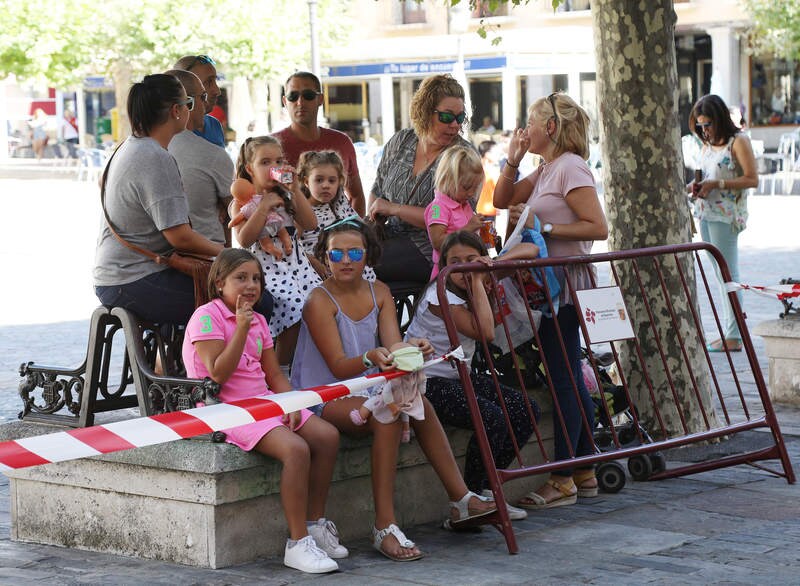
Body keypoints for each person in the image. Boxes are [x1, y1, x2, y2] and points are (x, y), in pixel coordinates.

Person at [291, 218, 496, 562]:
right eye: (336, 253)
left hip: (364, 387)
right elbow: (340, 367)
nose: (345, 259)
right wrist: (373, 357)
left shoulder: (380, 291)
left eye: (354, 252)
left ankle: (460, 499)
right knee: (388, 412)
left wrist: (412, 347)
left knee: (418, 404)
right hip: (321, 394)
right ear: (324, 258)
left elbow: (393, 345)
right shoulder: (318, 300)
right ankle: (384, 526)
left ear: (368, 256)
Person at [182, 249, 344, 574]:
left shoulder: (258, 319)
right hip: (225, 409)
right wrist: (240, 329)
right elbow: (216, 375)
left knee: (326, 436)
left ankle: (313, 524)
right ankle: (297, 544)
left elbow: (274, 375)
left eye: (256, 278)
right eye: (241, 278)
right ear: (219, 283)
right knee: (296, 450)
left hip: (264, 402)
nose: (251, 285)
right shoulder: (207, 316)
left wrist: (291, 403)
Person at [493, 92, 608, 509]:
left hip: (563, 287)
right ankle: (583, 469)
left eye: (532, 121)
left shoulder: (571, 167)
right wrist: (513, 158)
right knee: (566, 372)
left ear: (552, 128)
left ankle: (563, 478)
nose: (526, 127)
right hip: (547, 286)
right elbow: (501, 200)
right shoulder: (547, 168)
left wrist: (545, 228)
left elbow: (598, 226)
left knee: (564, 376)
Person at [405, 230, 540, 521]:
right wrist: (478, 279)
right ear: (444, 266)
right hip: (427, 380)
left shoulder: (475, 276)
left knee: (527, 409)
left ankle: (486, 490)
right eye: (455, 262)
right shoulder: (438, 295)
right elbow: (485, 333)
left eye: (470, 260)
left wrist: (491, 263)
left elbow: (531, 249)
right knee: (490, 417)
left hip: (457, 374)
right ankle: (469, 497)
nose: (463, 268)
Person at [93, 74, 225, 325]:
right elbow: (179, 237)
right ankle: (214, 364)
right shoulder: (155, 157)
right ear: (177, 110)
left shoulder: (129, 146)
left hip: (119, 276)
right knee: (249, 297)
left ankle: (171, 362)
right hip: (134, 279)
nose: (191, 108)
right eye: (189, 102)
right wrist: (227, 255)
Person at [368, 74, 474, 286]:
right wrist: (373, 221)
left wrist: (394, 209)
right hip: (387, 236)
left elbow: (458, 220)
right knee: (341, 254)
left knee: (361, 264)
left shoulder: (461, 156)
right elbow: (377, 189)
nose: (454, 125)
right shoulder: (402, 141)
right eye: (446, 117)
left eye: (460, 118)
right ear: (425, 112)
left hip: (431, 249)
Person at [231, 136, 321, 369]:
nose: (274, 167)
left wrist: (295, 191)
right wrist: (262, 207)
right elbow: (243, 239)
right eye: (265, 162)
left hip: (298, 268)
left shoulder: (287, 197)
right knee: (295, 308)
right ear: (250, 168)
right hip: (266, 272)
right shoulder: (243, 201)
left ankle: (306, 366)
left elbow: (311, 223)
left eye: (279, 161)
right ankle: (279, 371)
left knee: (320, 304)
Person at [688, 94, 758, 352]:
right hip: (705, 213)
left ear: (719, 120)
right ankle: (730, 332)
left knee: (728, 273)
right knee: (719, 275)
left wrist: (717, 184)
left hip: (726, 215)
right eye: (699, 126)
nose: (704, 130)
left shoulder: (737, 142)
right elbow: (708, 176)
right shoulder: (707, 145)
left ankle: (734, 336)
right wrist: (694, 187)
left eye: (708, 124)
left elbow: (752, 179)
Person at [273, 72, 366, 216]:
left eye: (308, 95)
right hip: (289, 235)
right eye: (293, 96)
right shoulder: (271, 147)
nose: (300, 102)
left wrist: (355, 232)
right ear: (285, 102)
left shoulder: (342, 142)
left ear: (320, 99)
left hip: (338, 234)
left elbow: (357, 196)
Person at [166, 69, 234, 247]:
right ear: (186, 103)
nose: (206, 104)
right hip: (205, 260)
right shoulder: (210, 155)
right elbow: (242, 213)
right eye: (202, 96)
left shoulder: (132, 149)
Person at [296, 149, 376, 281]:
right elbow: (293, 245)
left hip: (346, 257)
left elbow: (357, 225)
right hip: (317, 266)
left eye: (331, 181)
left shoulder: (340, 202)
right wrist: (313, 262)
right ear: (306, 181)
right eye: (319, 180)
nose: (326, 185)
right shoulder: (302, 209)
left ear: (339, 182)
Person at [424, 145, 484, 279]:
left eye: (475, 188)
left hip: (466, 271)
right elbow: (438, 242)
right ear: (447, 180)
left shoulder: (464, 204)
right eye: (466, 187)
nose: (471, 193)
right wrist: (468, 228)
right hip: (448, 274)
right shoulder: (438, 207)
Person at [173, 55, 225, 147]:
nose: (217, 91)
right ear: (184, 87)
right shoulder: (171, 132)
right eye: (208, 82)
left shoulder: (214, 125)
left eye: (215, 81)